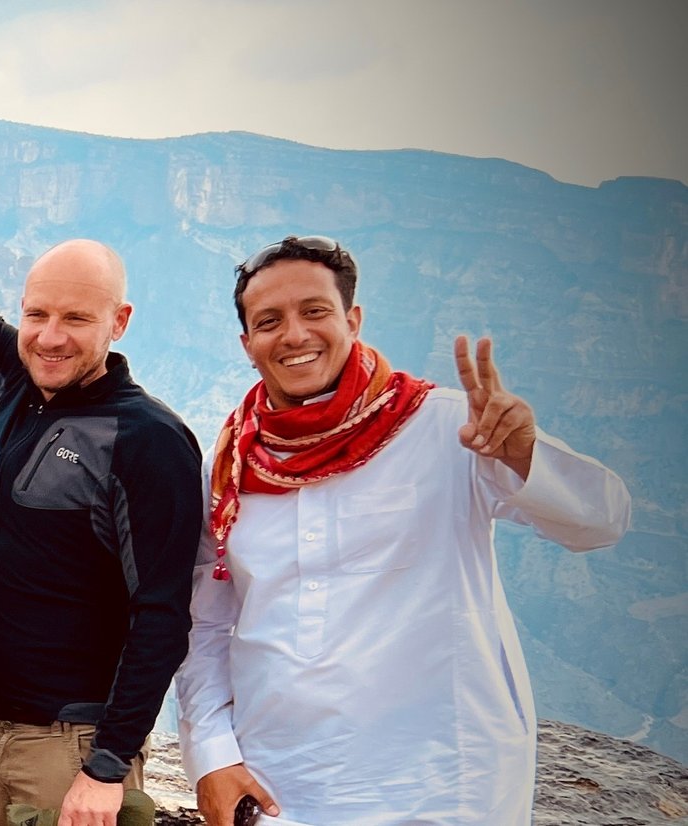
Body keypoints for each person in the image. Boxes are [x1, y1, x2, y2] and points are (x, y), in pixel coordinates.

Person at [174, 237, 632, 825]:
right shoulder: (236, 464)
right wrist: (211, 757)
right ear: (247, 344)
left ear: (352, 319)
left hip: (443, 787)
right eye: (270, 321)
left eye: (314, 311)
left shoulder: (449, 428)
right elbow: (206, 622)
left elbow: (602, 522)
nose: (293, 335)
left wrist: (524, 454)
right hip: (281, 785)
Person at [0, 31, 206, 825]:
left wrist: (108, 762)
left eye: (76, 319)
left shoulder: (147, 439)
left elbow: (165, 614)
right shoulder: (18, 384)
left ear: (119, 321)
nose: (50, 337)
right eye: (36, 315)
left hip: (71, 745)